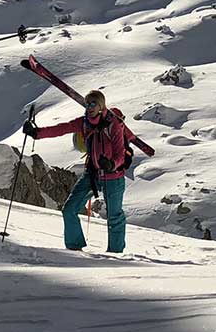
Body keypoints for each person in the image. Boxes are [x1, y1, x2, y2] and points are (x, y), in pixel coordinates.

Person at [24, 90, 135, 253]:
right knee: (69, 209)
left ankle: (115, 253)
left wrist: (112, 164)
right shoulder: (84, 123)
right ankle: (74, 248)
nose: (89, 107)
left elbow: (119, 152)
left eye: (93, 104)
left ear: (101, 106)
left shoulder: (114, 125)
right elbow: (62, 128)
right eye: (87, 103)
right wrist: (37, 133)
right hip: (93, 174)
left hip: (113, 176)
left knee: (114, 217)